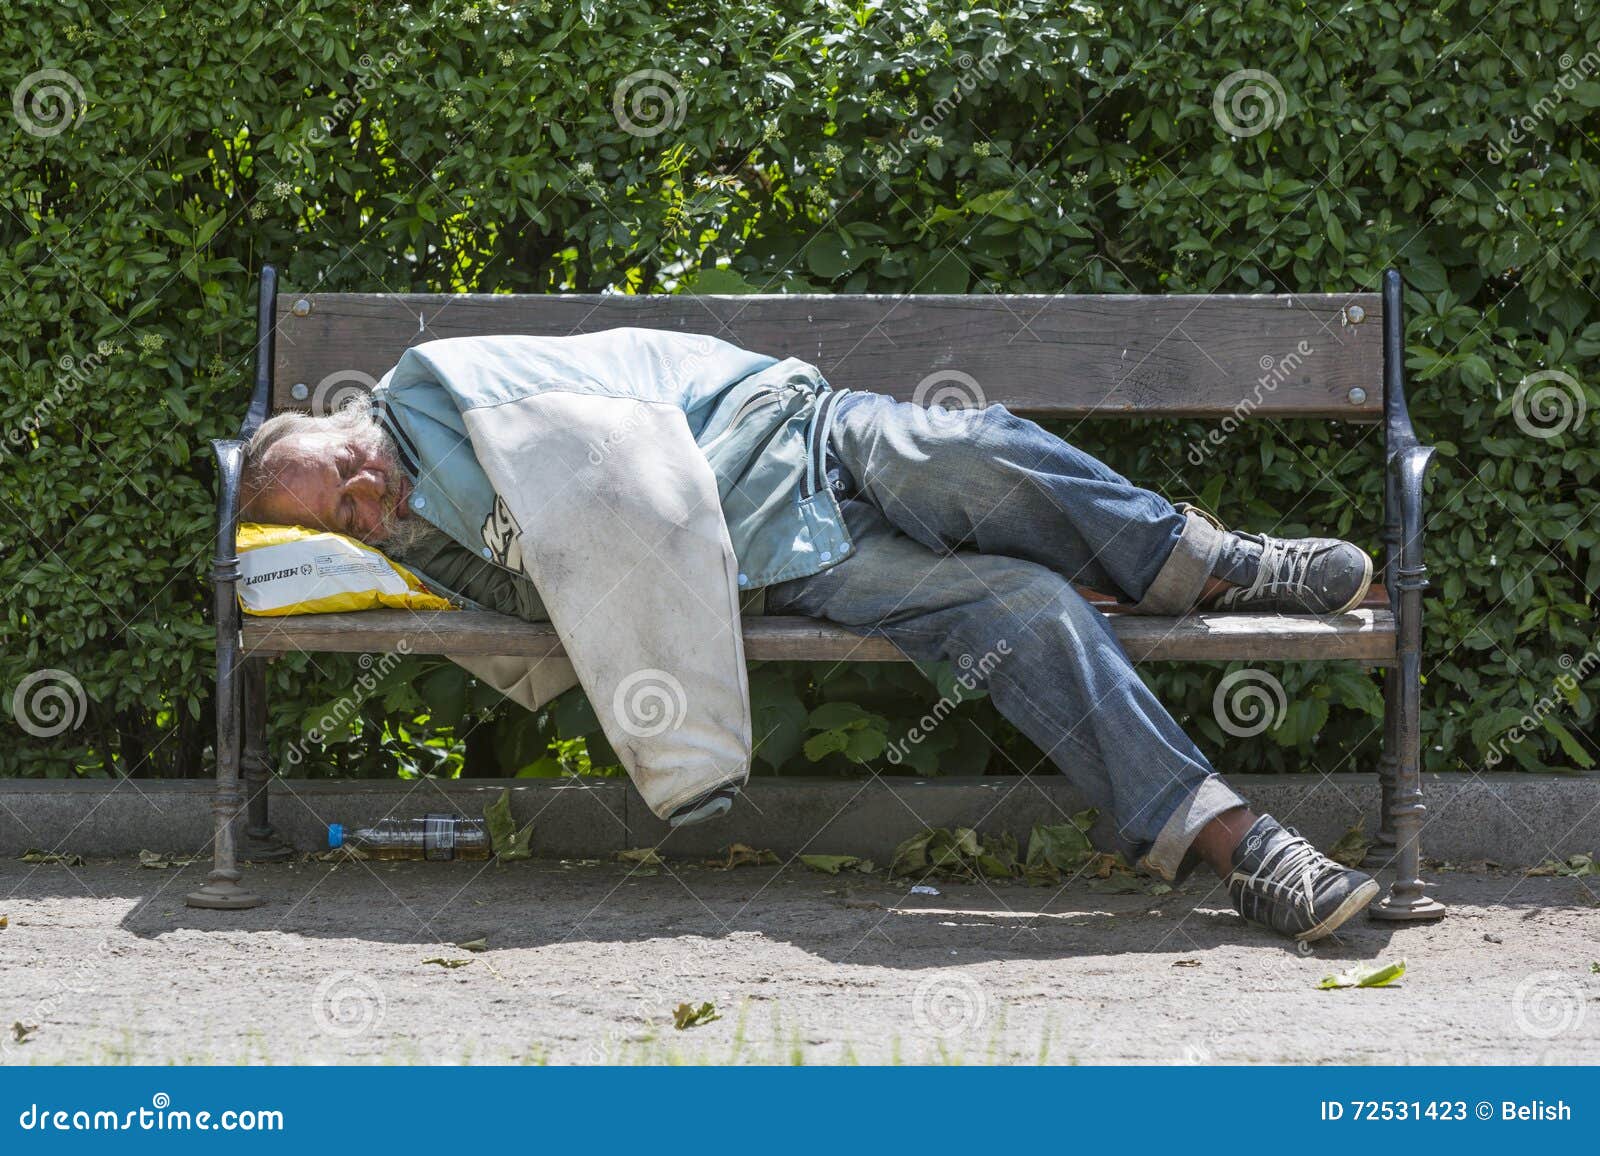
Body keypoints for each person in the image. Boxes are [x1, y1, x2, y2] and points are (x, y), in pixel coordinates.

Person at [239, 330, 1379, 943]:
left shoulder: (432, 387)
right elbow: (559, 603)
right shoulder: (412, 554)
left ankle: (1201, 561)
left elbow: (599, 430)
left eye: (346, 471)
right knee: (1026, 614)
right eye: (336, 513)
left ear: (349, 418)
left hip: (795, 433)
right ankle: (1245, 850)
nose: (361, 496)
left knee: (951, 447)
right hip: (781, 563)